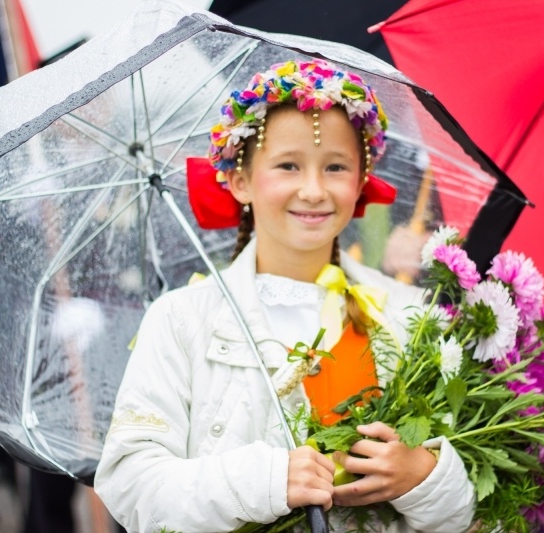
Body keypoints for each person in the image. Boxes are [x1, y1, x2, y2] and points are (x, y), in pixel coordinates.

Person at [95, 59, 475, 533]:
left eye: (335, 167)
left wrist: (428, 479)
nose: (313, 190)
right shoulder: (181, 319)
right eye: (288, 166)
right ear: (239, 180)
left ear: (360, 181)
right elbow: (131, 486)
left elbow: (479, 516)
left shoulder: (411, 316)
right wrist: (266, 482)